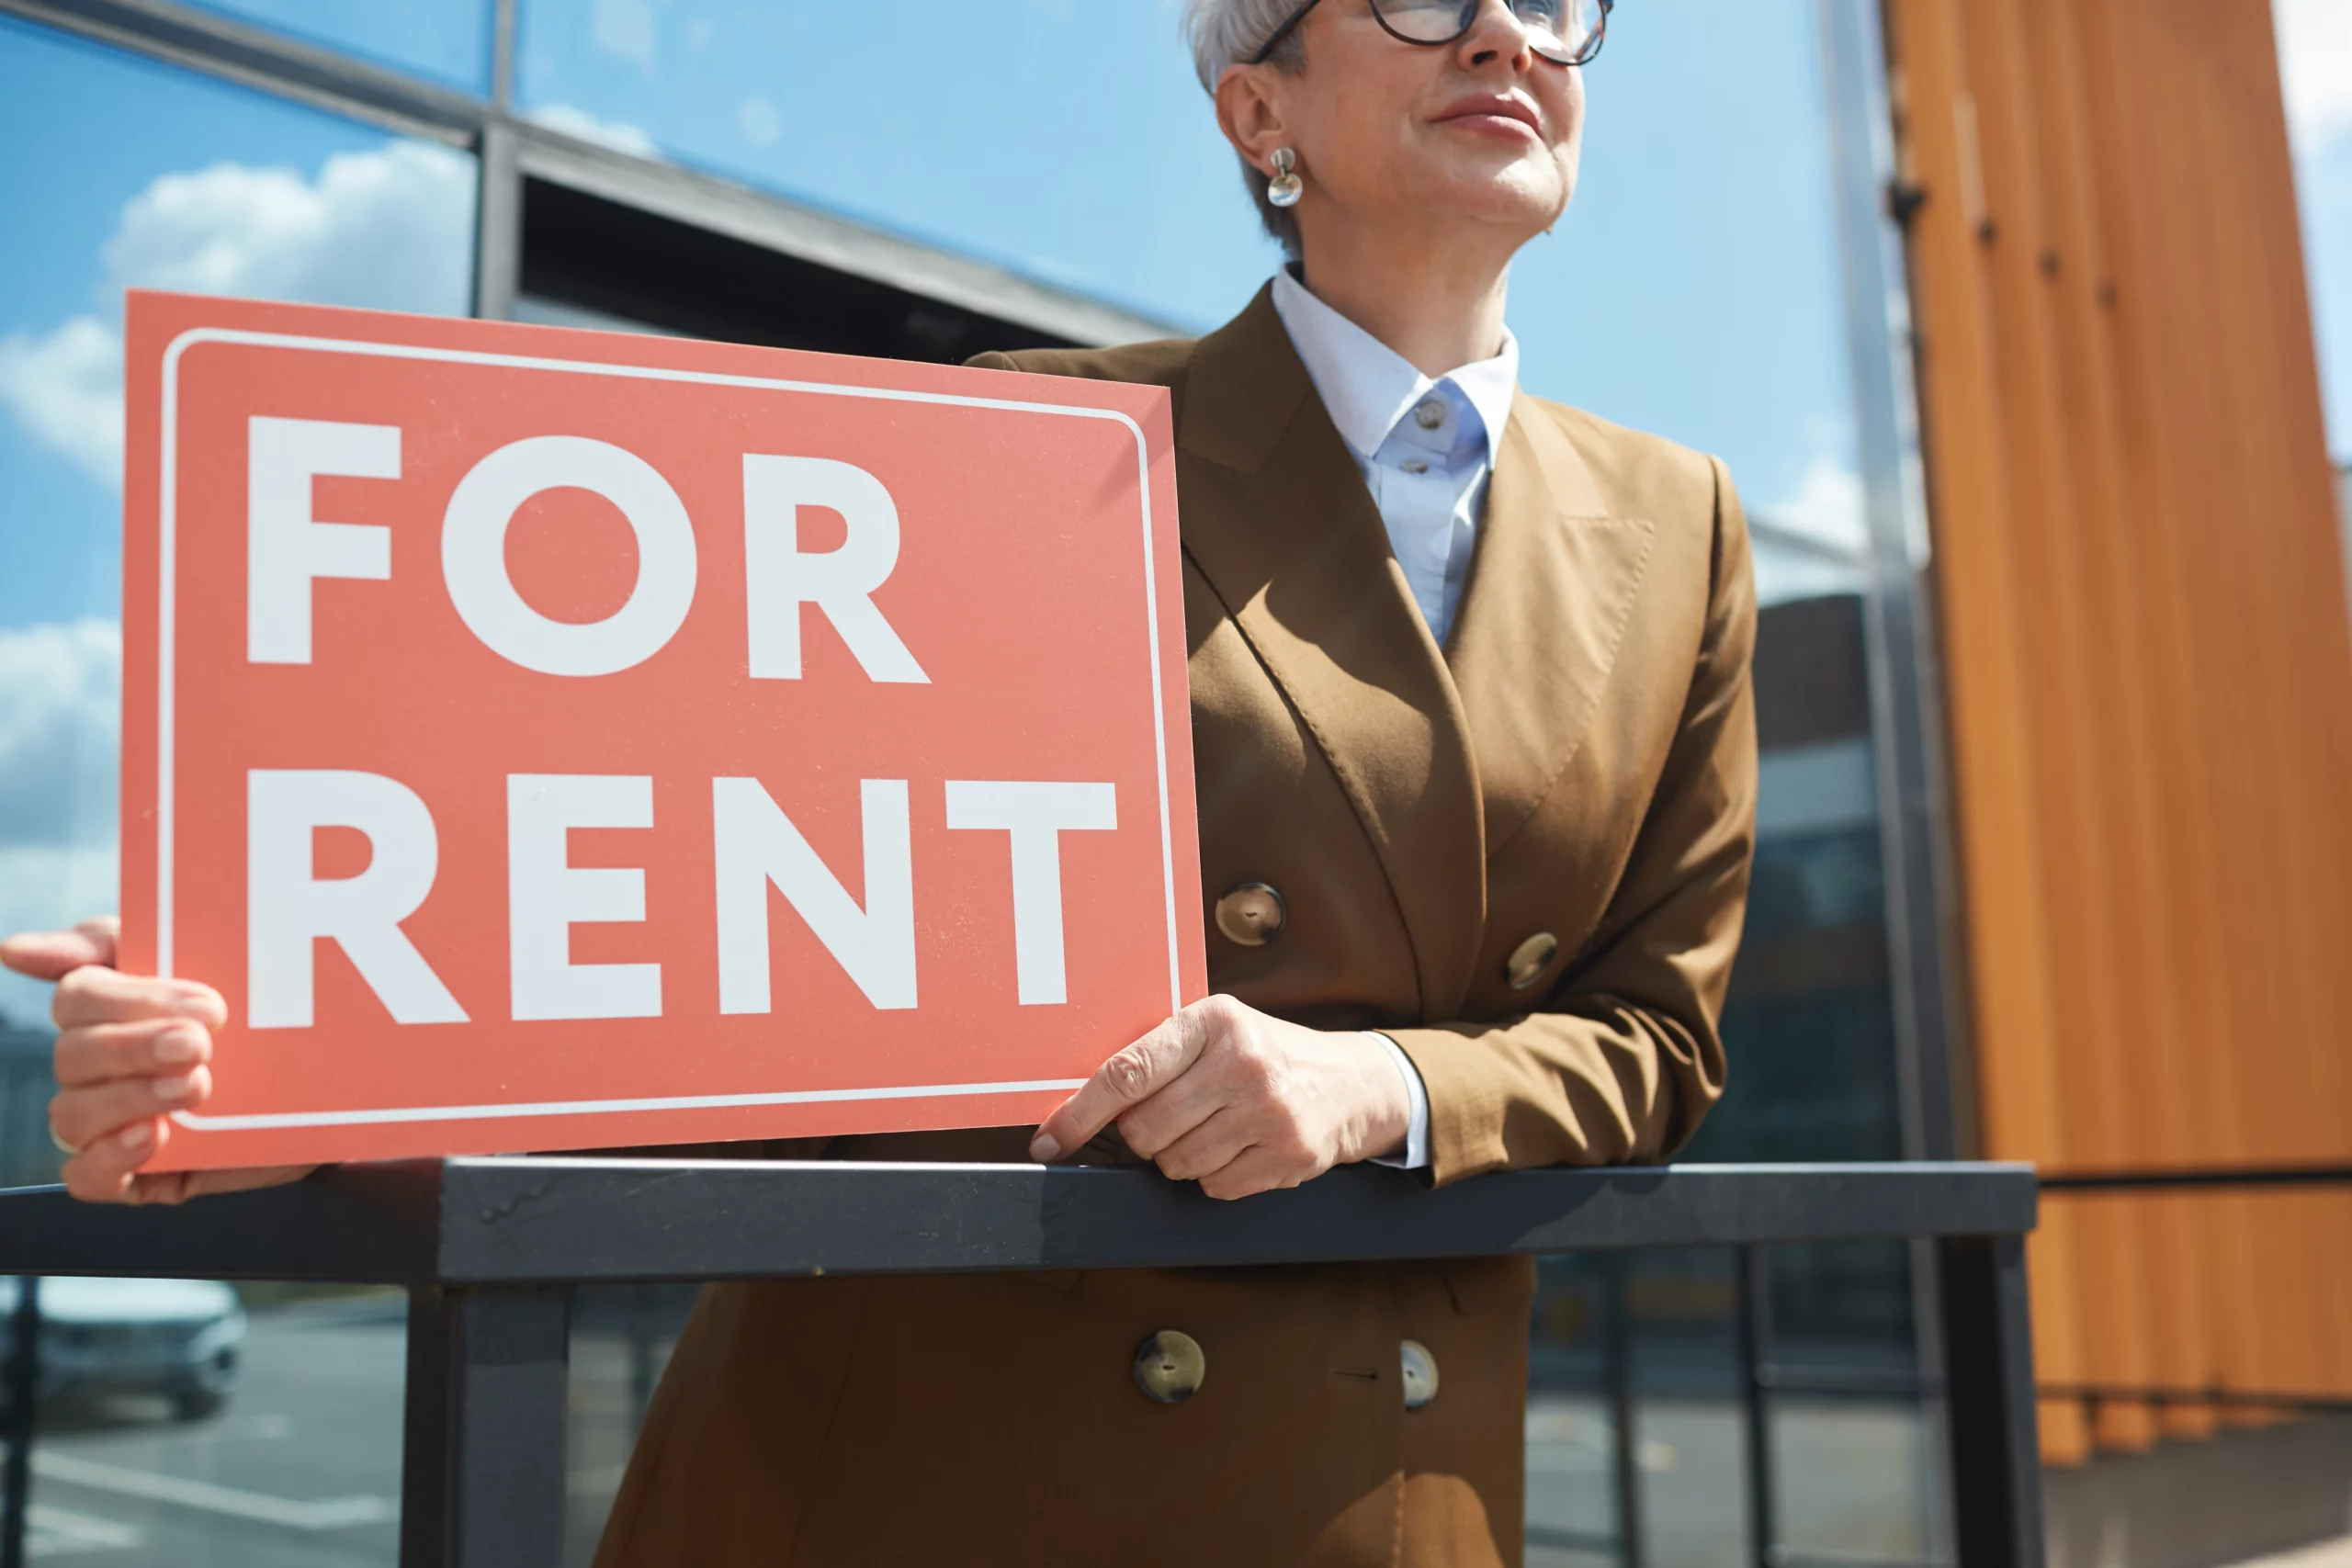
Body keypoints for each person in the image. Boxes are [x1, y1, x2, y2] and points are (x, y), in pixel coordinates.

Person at [1, 0, 1757, 1560]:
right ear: (1258, 110)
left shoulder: (1682, 525)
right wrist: (283, 1056)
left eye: (1554, 1)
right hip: (938, 1457)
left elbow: (1652, 1041)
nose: (1507, 35)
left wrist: (1379, 1083)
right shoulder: (1027, 449)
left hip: (1387, 1480)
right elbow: (733, 935)